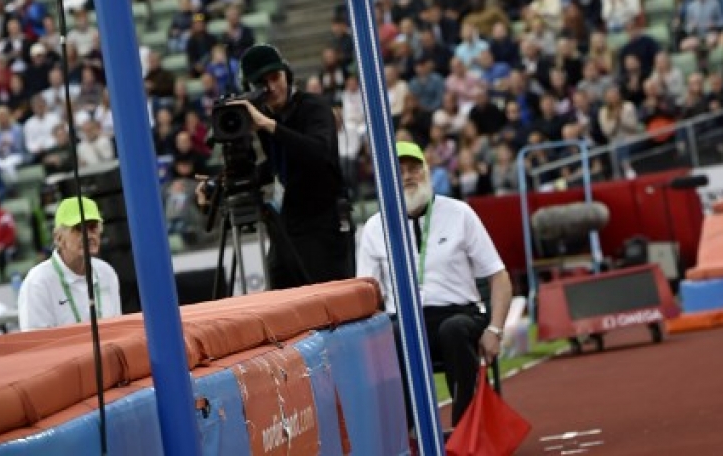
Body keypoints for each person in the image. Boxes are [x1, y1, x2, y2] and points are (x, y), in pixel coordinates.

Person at [357, 141, 512, 428]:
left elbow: (498, 275)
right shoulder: (374, 228)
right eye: (398, 170)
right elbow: (367, 293)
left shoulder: (460, 213)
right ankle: (405, 435)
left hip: (459, 315)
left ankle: (467, 431)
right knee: (389, 335)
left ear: (427, 172)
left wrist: (495, 330)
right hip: (404, 321)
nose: (407, 176)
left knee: (453, 329)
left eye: (414, 168)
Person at [210, 42, 354, 288]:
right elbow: (278, 164)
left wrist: (269, 125)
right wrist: (220, 181)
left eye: (275, 77)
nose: (271, 87)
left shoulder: (314, 107)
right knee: (279, 302)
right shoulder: (268, 116)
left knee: (324, 306)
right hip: (287, 224)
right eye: (261, 82)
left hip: (323, 224)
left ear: (287, 74)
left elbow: (318, 153)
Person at [17, 195, 122, 330]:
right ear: (59, 238)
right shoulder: (38, 282)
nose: (89, 235)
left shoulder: (106, 272)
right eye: (79, 228)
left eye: (93, 227)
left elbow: (118, 330)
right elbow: (37, 346)